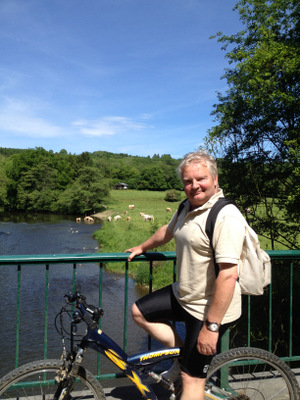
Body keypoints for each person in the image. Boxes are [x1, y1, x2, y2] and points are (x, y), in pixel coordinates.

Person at [125, 150, 247, 400]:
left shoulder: (225, 216)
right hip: (184, 295)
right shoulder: (186, 207)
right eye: (188, 181)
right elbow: (167, 231)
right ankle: (181, 356)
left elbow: (228, 275)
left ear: (215, 179)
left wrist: (211, 328)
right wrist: (142, 247)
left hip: (209, 308)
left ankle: (188, 369)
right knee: (139, 311)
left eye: (200, 179)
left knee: (192, 381)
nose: (194, 186)